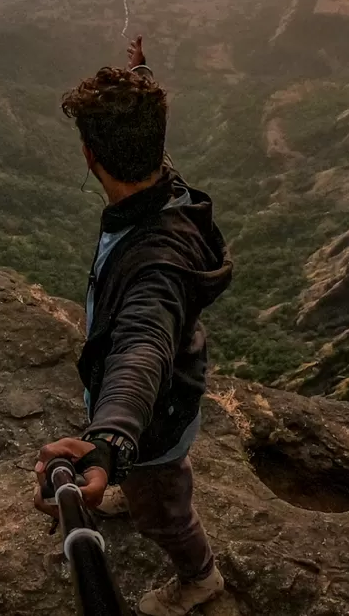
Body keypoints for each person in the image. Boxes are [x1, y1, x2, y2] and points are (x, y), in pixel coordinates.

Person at [34, 35, 233, 616]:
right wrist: (140, 77)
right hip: (167, 392)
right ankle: (132, 482)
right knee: (147, 483)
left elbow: (142, 347)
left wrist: (110, 443)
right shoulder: (165, 187)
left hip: (153, 418)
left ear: (89, 157)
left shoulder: (154, 264)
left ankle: (200, 577)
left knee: (165, 513)